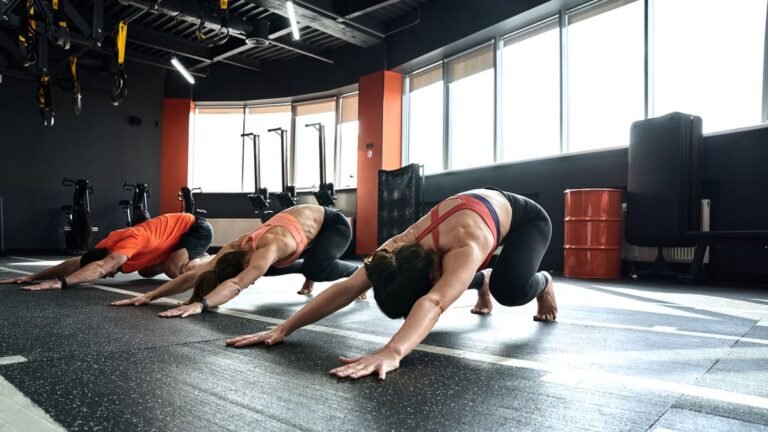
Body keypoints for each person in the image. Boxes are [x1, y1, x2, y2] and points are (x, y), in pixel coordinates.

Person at [224, 188, 557, 380]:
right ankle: (479, 281)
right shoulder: (395, 248)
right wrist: (285, 328)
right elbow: (346, 288)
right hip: (471, 222)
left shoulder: (466, 247)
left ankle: (543, 284)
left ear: (429, 277)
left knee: (509, 291)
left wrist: (393, 350)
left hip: (526, 220)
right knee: (454, 279)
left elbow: (435, 303)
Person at [111, 204, 359, 315]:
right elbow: (194, 274)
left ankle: (355, 272)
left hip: (331, 225)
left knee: (317, 268)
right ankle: (310, 274)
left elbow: (237, 284)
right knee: (269, 270)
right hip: (301, 233)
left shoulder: (269, 250)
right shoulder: (234, 247)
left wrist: (202, 304)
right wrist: (150, 296)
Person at [0, 213, 213, 290]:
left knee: (173, 270)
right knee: (145, 272)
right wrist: (33, 277)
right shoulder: (106, 244)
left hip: (195, 228)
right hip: (168, 239)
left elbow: (102, 266)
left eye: (110, 272)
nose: (110, 275)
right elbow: (78, 262)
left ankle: (205, 261)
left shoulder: (130, 243)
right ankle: (177, 256)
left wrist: (61, 283)